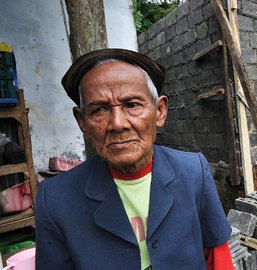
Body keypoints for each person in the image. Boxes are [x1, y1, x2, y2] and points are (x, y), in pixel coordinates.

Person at [35, 49, 233, 269]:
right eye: (100, 109)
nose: (118, 123)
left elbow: (218, 256)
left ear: (160, 111)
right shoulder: (55, 199)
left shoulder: (194, 172)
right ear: (82, 121)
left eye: (132, 105)